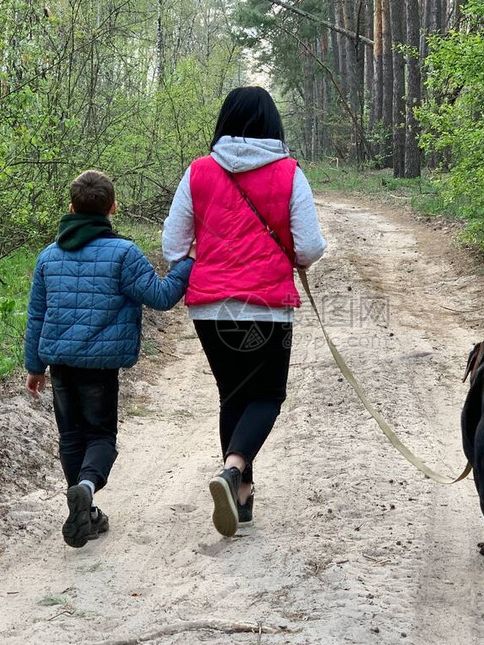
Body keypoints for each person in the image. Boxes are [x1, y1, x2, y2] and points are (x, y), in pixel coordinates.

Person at [162, 86, 327, 537]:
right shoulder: (289, 173)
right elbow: (310, 246)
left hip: (209, 308)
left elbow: (172, 247)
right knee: (268, 395)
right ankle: (233, 469)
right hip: (267, 307)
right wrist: (295, 259)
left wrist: (213, 263)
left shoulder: (197, 172)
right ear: (273, 124)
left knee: (234, 394)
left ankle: (242, 494)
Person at [24, 170, 194, 548]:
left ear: (70, 208)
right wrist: (188, 261)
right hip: (100, 367)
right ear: (113, 208)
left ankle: (82, 507)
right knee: (101, 435)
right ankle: (85, 489)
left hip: (60, 363)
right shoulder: (124, 254)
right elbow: (163, 296)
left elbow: (36, 315)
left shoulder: (48, 257)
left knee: (71, 437)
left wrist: (34, 367)